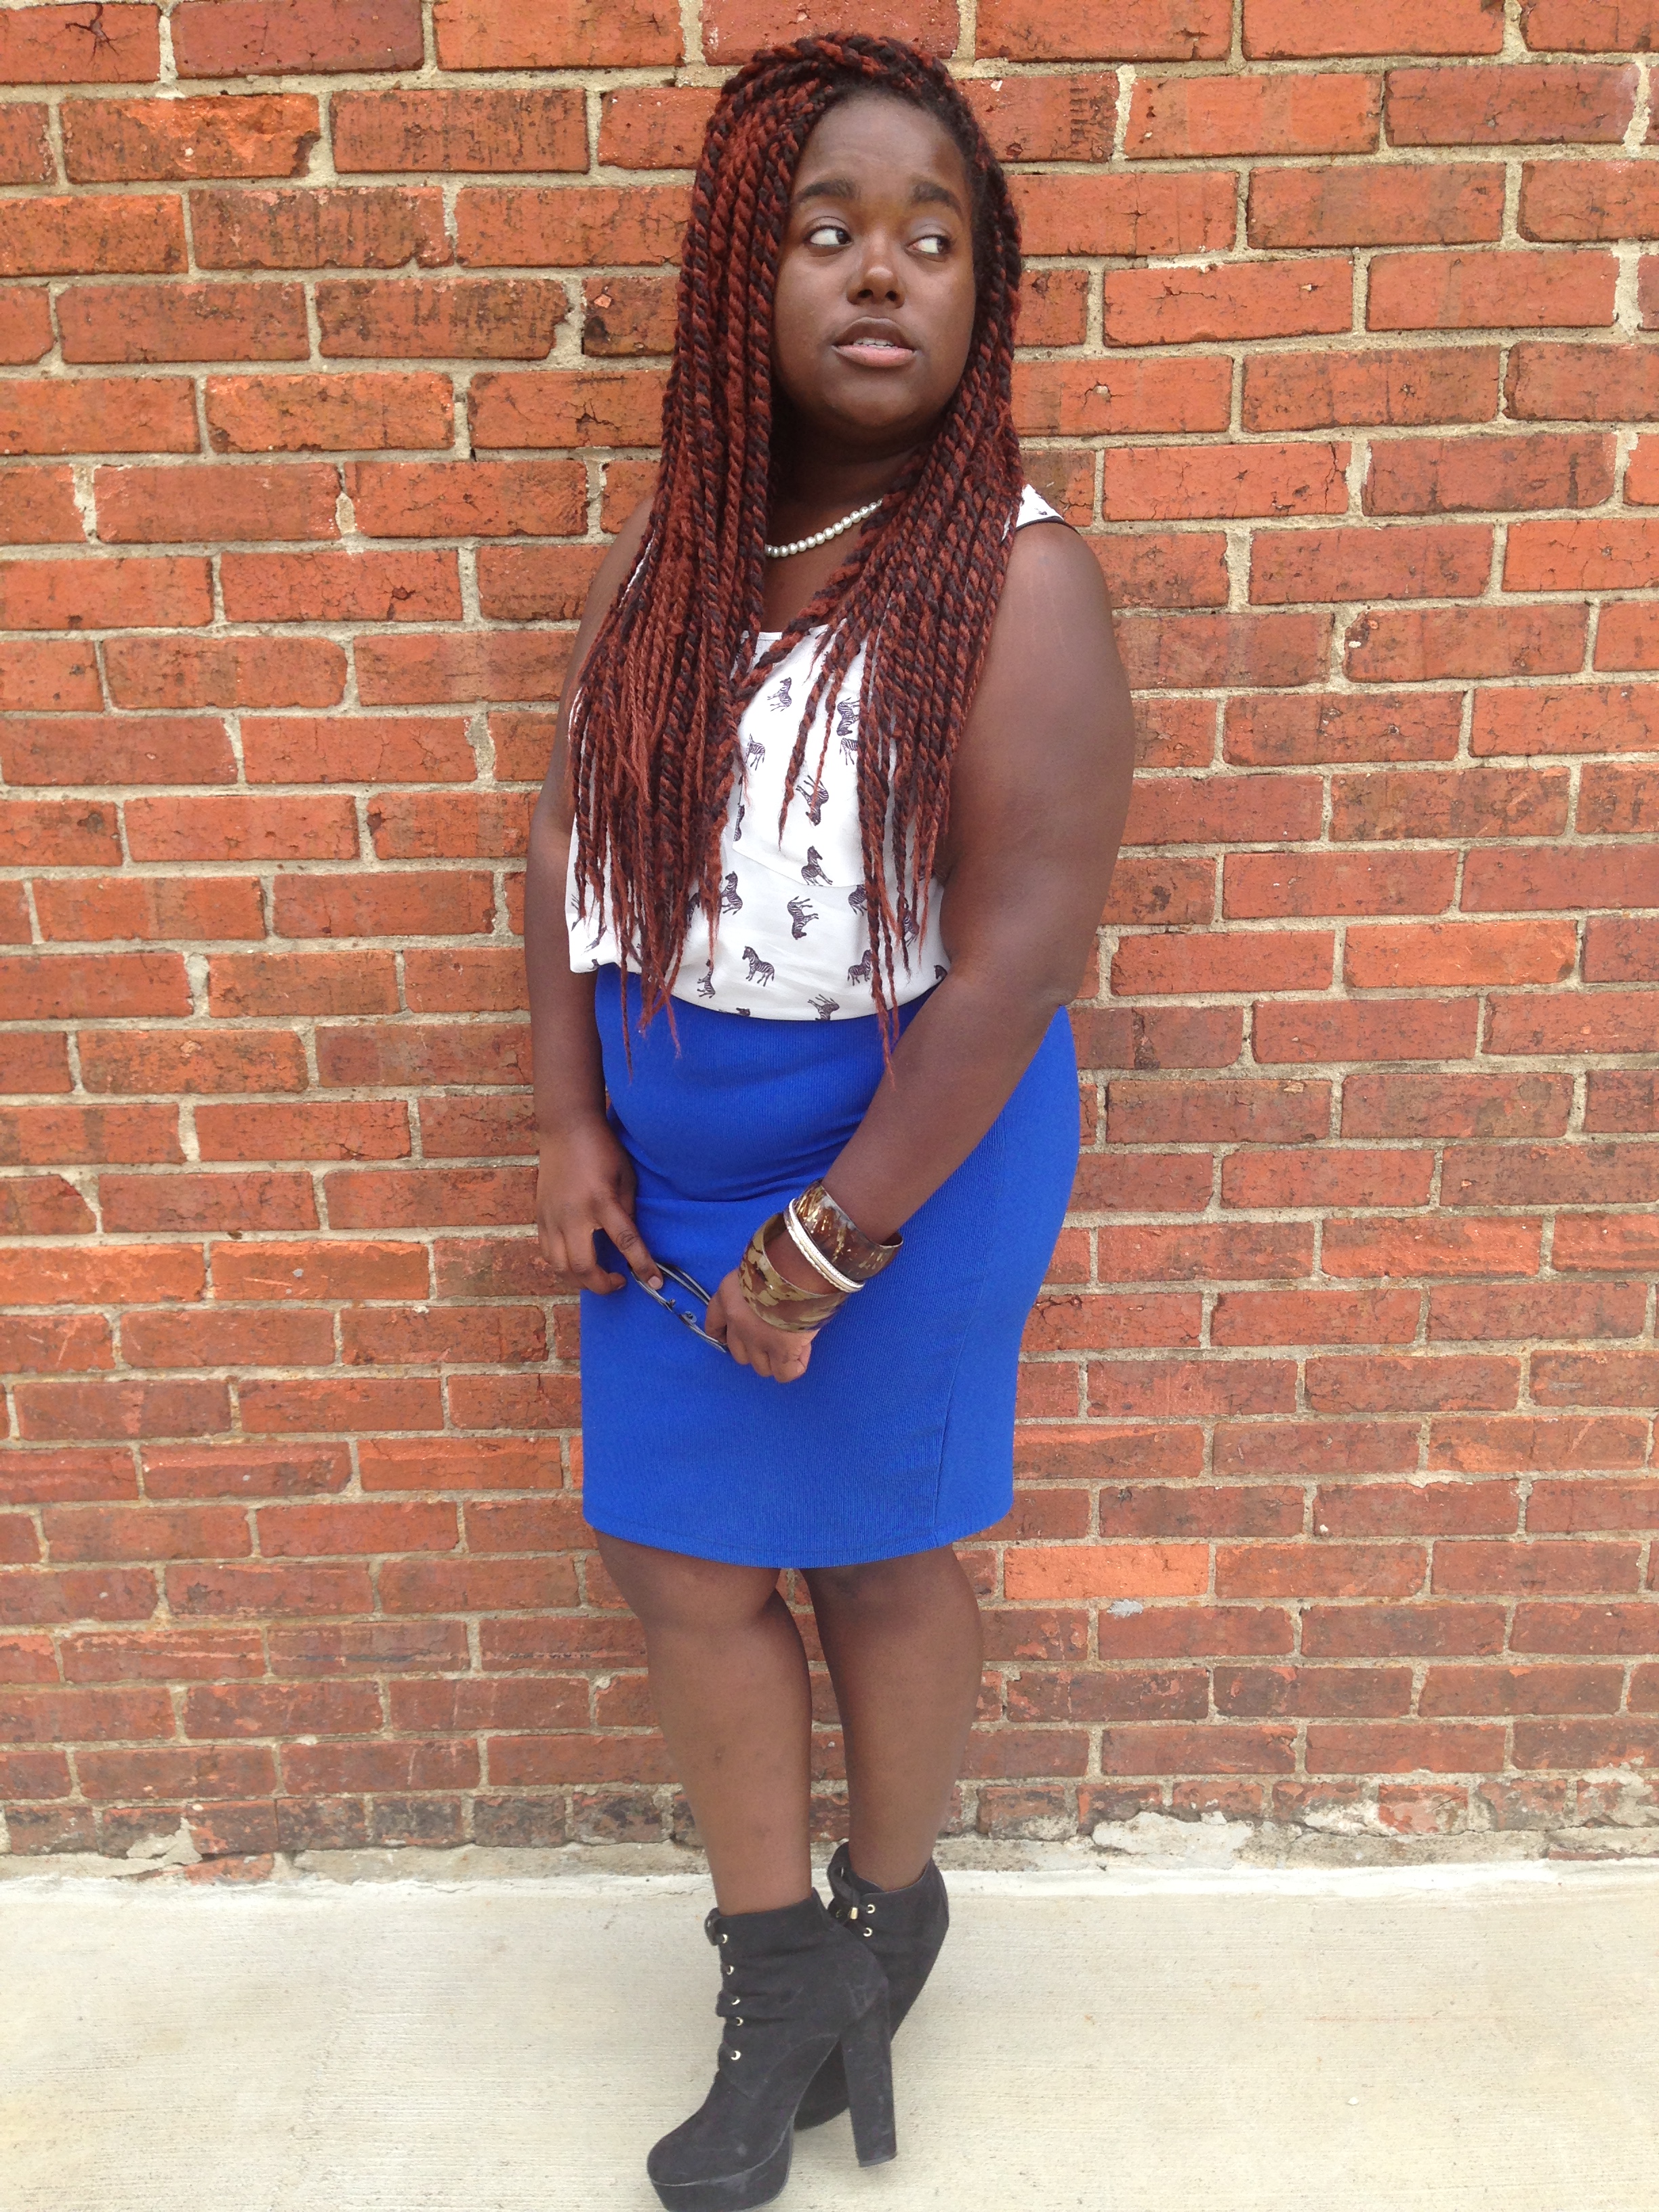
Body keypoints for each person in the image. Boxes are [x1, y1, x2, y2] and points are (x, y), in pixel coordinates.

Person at [525, 33, 1134, 2211]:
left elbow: (1018, 962)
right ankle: (777, 1968)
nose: (884, 272)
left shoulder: (1019, 584)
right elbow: (567, 839)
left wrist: (829, 1241)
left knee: (876, 1545)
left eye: (934, 239)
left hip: (914, 1164)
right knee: (674, 1551)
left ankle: (888, 1906)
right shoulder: (673, 555)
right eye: (828, 229)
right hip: (672, 1164)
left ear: (984, 295)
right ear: (739, 272)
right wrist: (570, 1113)